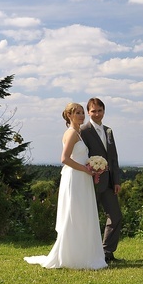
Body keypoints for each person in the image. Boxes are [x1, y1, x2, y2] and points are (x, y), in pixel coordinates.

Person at [25, 103, 107, 270]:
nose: (82, 116)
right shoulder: (71, 133)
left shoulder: (79, 133)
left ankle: (85, 254)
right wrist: (85, 168)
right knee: (74, 214)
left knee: (82, 214)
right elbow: (64, 158)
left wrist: (91, 167)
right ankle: (71, 256)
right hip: (75, 178)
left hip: (82, 177)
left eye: (82, 112)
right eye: (78, 113)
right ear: (69, 115)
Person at [81, 97, 124, 264]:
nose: (97, 113)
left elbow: (113, 157)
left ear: (104, 112)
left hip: (108, 182)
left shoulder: (109, 131)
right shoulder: (83, 131)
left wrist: (117, 180)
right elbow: (81, 156)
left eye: (100, 110)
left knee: (116, 216)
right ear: (88, 112)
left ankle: (107, 252)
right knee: (88, 218)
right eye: (93, 111)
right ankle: (87, 252)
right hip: (90, 181)